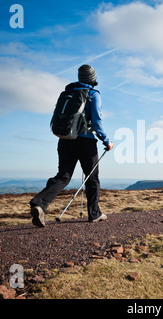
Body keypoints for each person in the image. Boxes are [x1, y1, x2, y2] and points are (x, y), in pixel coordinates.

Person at [29, 64, 113, 227]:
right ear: (93, 79)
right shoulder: (93, 94)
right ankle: (94, 214)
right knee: (92, 178)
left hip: (65, 140)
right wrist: (106, 141)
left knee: (63, 176)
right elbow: (96, 121)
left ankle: (40, 202)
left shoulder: (68, 93)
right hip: (85, 142)